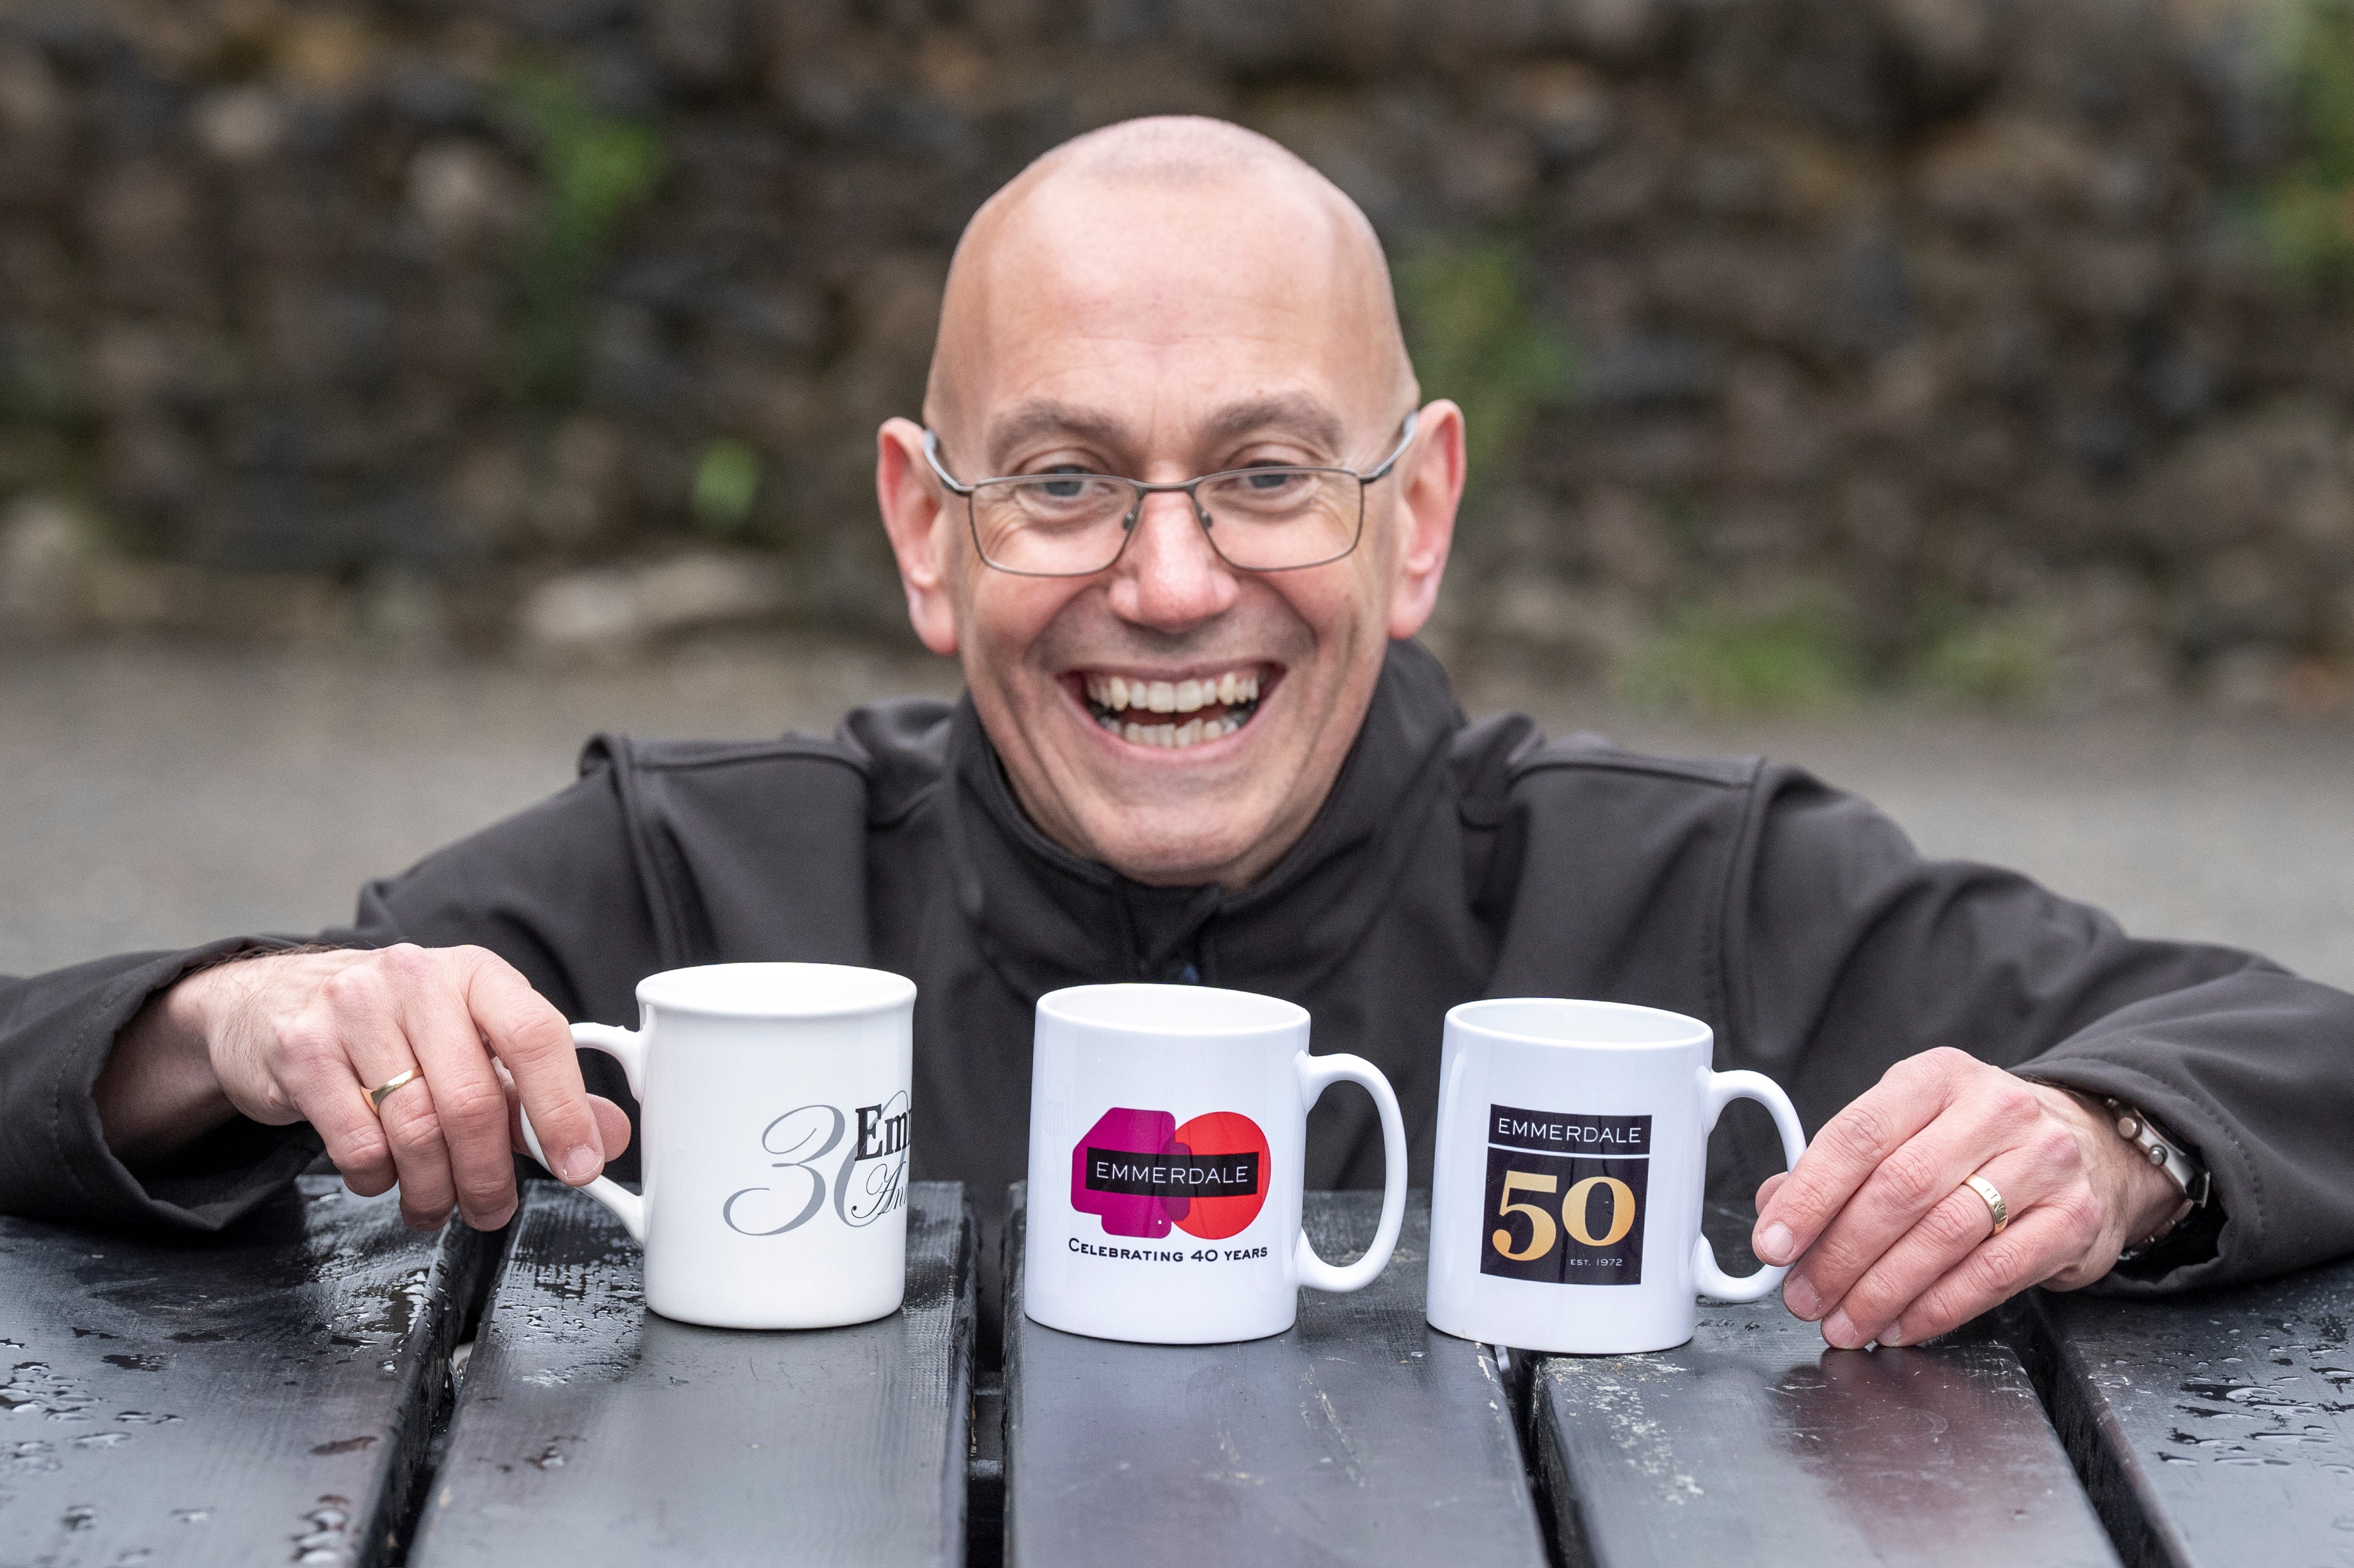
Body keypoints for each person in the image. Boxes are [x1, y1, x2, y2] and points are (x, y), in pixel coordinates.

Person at [5, 118, 2349, 1357]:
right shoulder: (693, 883)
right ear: (923, 532)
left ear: (1412, 510)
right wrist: (249, 1016)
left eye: (1258, 471)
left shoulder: (1692, 887)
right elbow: (64, 1068)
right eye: (1059, 479)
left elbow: (2273, 1041)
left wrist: (2102, 1145)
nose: (1162, 580)